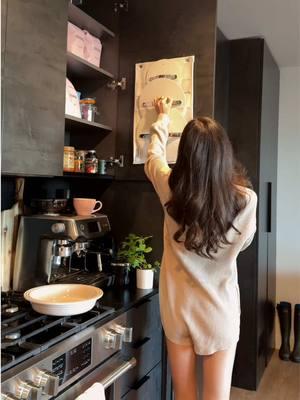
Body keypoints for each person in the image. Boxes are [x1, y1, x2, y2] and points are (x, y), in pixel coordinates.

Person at [144, 97, 257, 400]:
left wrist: (163, 118)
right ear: (223, 154)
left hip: (178, 309)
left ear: (185, 156)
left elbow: (152, 155)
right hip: (219, 311)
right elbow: (244, 243)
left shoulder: (168, 186)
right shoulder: (245, 199)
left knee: (183, 393)